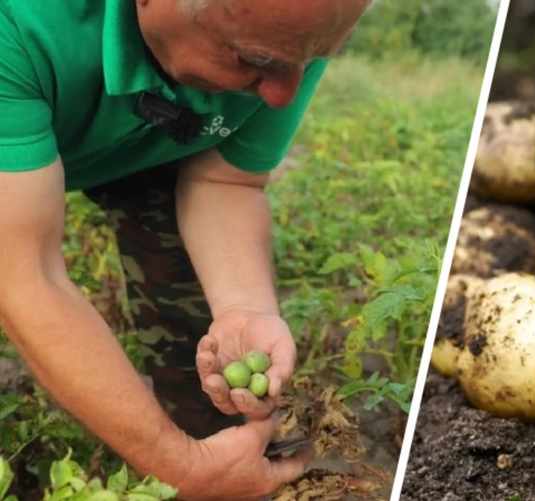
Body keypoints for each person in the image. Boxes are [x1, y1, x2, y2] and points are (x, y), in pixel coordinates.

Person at [0, 0, 369, 499]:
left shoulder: (293, 27)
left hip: (160, 136)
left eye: (316, 56)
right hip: (24, 94)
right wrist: (180, 465)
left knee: (202, 337)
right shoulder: (20, 20)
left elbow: (226, 182)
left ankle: (221, 457)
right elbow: (27, 276)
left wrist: (245, 306)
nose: (285, 94)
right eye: (255, 59)